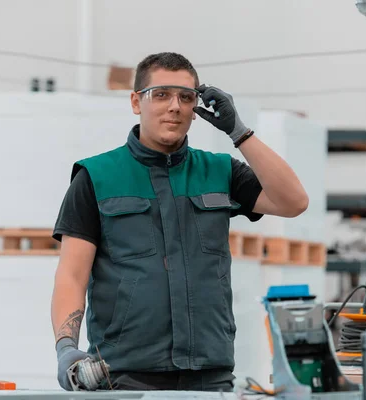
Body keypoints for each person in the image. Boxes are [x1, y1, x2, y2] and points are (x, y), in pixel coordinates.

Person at [51, 52, 308, 392]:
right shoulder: (96, 177)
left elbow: (294, 202)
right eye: (161, 95)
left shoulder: (220, 171)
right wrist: (66, 349)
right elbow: (72, 275)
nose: (175, 106)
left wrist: (240, 132)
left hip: (210, 376)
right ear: (135, 102)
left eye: (186, 97)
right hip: (124, 378)